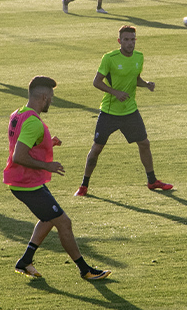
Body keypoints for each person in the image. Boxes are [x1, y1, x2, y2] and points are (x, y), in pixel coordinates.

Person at [4, 76, 111, 280]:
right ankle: (85, 270)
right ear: (43, 97)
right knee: (63, 222)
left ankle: (25, 261)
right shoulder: (33, 123)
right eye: (51, 97)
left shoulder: (18, 114)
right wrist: (48, 165)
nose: (52, 101)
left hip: (24, 181)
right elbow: (19, 155)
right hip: (27, 184)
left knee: (48, 219)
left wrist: (47, 143)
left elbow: (22, 143)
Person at [74, 25, 172, 196]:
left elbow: (135, 79)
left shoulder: (139, 57)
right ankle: (84, 185)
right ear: (119, 41)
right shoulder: (109, 58)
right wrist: (115, 92)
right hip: (110, 112)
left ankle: (152, 181)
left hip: (130, 111)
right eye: (126, 40)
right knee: (97, 148)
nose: (130, 43)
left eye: (133, 39)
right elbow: (96, 82)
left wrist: (146, 84)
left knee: (144, 143)